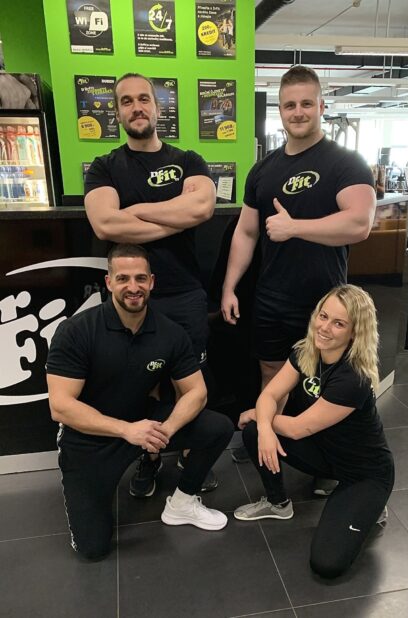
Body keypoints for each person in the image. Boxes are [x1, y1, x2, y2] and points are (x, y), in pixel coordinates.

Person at [221, 65, 376, 484]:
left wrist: (295, 228)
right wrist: (230, 286)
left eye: (307, 103)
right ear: (280, 110)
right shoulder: (263, 170)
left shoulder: (346, 163)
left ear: (322, 106)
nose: (298, 112)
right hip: (272, 298)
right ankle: (268, 441)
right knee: (273, 375)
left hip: (326, 304)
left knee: (323, 383)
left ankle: (326, 463)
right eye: (290, 105)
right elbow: (246, 232)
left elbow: (360, 223)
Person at [46, 244, 233, 560]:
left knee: (218, 427)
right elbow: (61, 406)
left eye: (140, 278)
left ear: (152, 282)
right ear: (109, 283)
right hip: (90, 439)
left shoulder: (169, 332)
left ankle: (183, 502)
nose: (133, 287)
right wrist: (126, 430)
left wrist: (166, 430)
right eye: (123, 279)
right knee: (93, 549)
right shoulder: (77, 331)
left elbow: (196, 392)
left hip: (144, 424)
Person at [84, 72, 218, 493]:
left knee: (190, 381)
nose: (136, 107)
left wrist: (135, 211)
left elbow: (202, 208)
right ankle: (150, 455)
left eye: (144, 99)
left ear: (158, 108)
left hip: (184, 293)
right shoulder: (105, 167)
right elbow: (105, 224)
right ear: (117, 112)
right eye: (126, 101)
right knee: (142, 383)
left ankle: (194, 455)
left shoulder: (189, 160)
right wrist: (174, 217)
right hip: (133, 296)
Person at [234, 284, 394, 579]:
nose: (325, 328)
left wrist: (261, 416)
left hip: (364, 472)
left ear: (355, 332)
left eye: (339, 323)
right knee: (256, 432)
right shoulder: (305, 351)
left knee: (327, 564)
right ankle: (277, 504)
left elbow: (297, 429)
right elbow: (269, 395)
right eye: (323, 316)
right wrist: (264, 425)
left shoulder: (353, 378)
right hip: (324, 453)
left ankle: (371, 504)